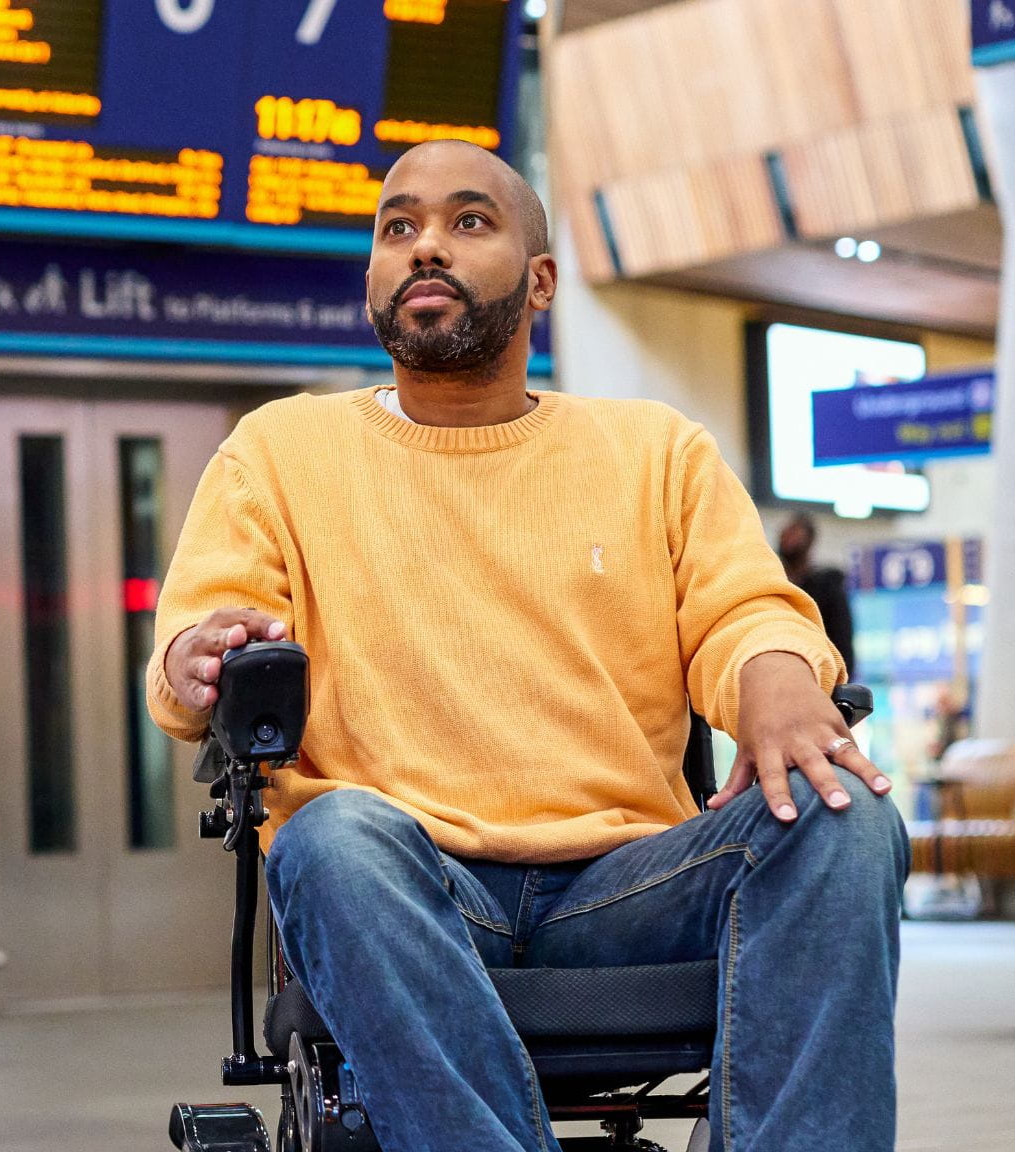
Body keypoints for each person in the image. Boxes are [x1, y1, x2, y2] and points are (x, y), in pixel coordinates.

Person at [151, 140, 905, 1152]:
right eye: (398, 227)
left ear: (541, 280)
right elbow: (201, 638)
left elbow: (744, 612)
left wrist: (775, 672)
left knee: (842, 817)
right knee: (330, 840)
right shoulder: (279, 453)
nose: (426, 247)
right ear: (372, 277)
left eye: (468, 222)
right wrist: (202, 654)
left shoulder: (655, 452)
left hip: (629, 886)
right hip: (409, 880)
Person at [776, 512, 857, 675]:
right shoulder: (774, 581)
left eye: (795, 536)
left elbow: (842, 638)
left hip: (819, 671)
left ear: (809, 541)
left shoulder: (828, 586)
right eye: (785, 535)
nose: (788, 540)